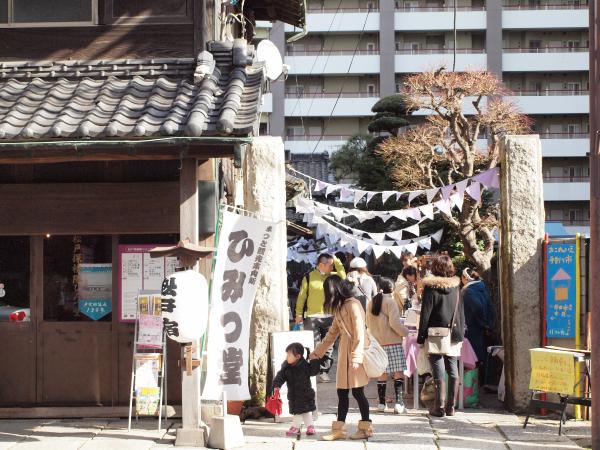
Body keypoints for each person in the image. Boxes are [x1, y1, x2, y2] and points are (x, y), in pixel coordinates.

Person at [309, 275, 373, 441]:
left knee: (358, 393)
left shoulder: (353, 305)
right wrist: (317, 352)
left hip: (354, 354)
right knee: (342, 392)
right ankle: (339, 429)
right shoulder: (340, 307)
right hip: (345, 354)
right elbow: (332, 334)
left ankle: (366, 428)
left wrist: (357, 358)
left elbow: (360, 332)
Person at [417, 255, 465, 417]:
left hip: (435, 333)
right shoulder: (456, 287)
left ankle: (439, 407)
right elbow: (460, 313)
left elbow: (425, 314)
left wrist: (420, 336)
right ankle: (451, 407)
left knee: (438, 369)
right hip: (454, 332)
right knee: (453, 369)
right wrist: (461, 334)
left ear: (434, 268)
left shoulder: (431, 288)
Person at [295, 253, 346, 383]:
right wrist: (298, 314)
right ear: (322, 265)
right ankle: (313, 370)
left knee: (328, 346)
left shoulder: (333, 276)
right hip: (312, 317)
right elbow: (302, 296)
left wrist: (337, 260)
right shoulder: (308, 277)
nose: (332, 267)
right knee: (315, 345)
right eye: (331, 265)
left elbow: (343, 277)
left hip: (331, 316)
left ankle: (324, 370)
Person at [366, 278, 410, 414]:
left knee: (382, 373)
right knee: (398, 372)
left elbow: (367, 322)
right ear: (392, 289)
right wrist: (406, 332)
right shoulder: (391, 302)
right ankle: (399, 404)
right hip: (393, 341)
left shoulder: (371, 302)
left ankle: (381, 403)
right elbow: (395, 324)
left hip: (377, 343)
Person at [272, 342, 321, 437]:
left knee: (301, 412)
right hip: (294, 395)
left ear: (298, 356)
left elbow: (314, 371)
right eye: (287, 354)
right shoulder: (286, 368)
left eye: (289, 355)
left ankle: (296, 427)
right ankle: (310, 426)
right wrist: (276, 386)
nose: (287, 357)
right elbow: (279, 377)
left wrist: (314, 360)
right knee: (301, 411)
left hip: (306, 394)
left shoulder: (305, 365)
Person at [461, 268, 495, 366]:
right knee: (480, 359)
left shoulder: (468, 291)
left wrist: (483, 323)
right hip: (483, 328)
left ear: (465, 278)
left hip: (472, 328)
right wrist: (488, 325)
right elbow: (490, 307)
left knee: (473, 359)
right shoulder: (482, 288)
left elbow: (477, 307)